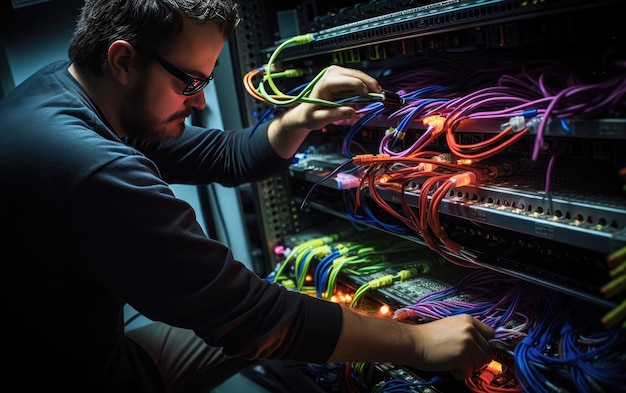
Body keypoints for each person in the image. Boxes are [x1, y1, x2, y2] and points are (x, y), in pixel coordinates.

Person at [0, 0, 495, 392]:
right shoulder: (92, 169)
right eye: (190, 81)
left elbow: (226, 155)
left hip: (69, 347)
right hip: (92, 375)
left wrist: (300, 115)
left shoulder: (65, 88)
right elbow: (252, 320)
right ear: (123, 59)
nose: (199, 101)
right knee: (272, 317)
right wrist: (416, 343)